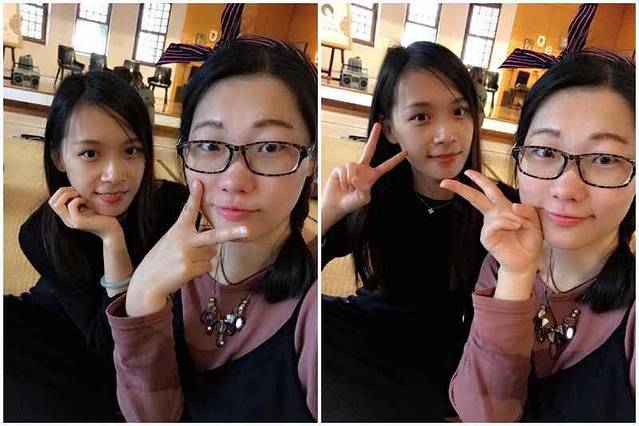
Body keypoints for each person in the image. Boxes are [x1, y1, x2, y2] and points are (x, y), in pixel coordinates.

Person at [106, 38, 318, 422]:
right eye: (208, 144)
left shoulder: (313, 310)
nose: (234, 180)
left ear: (311, 162)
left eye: (270, 147)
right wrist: (140, 298)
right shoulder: (168, 259)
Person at [321, 41, 514, 421]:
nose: (446, 134)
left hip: (439, 362)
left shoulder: (500, 209)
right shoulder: (372, 195)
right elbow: (296, 274)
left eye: (459, 111)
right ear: (390, 129)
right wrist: (330, 211)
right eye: (421, 117)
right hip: (362, 331)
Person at [445, 53, 635, 422]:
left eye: (604, 159)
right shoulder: (500, 264)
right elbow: (483, 416)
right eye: (545, 152)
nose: (566, 188)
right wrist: (515, 278)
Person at [4, 71, 188, 421]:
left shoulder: (172, 206)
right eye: (90, 153)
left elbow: (116, 346)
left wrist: (111, 237)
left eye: (131, 150)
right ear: (58, 158)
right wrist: (111, 238)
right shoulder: (39, 232)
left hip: (111, 357)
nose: (114, 174)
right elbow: (105, 340)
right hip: (50, 328)